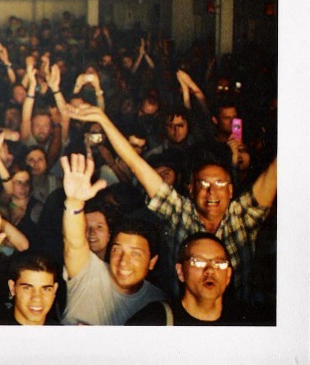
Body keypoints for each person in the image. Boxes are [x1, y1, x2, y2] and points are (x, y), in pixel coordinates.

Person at [69, 104, 276, 302]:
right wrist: (102, 119)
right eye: (203, 184)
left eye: (220, 183)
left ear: (230, 190)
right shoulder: (179, 212)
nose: (211, 192)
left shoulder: (243, 214)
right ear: (191, 189)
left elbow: (276, 169)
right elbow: (135, 163)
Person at [60, 153, 164, 325]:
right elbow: (74, 244)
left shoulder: (158, 302)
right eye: (117, 250)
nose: (123, 261)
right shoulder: (91, 272)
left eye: (135, 253)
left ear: (152, 262)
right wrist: (74, 203)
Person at [127, 232, 249, 325]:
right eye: (198, 262)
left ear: (228, 275)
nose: (210, 270)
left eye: (219, 263)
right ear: (181, 272)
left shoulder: (245, 321)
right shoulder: (154, 319)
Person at [0, 214, 60, 325]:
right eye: (27, 288)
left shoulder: (65, 333)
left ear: (55, 290)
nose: (37, 298)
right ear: (12, 288)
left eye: (46, 289)